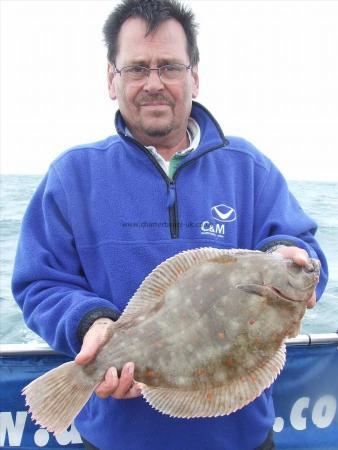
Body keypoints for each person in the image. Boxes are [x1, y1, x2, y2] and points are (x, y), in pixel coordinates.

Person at [12, 1, 328, 449]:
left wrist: (289, 256)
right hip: (115, 438)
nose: (154, 83)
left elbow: (305, 254)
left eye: (170, 67)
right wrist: (93, 326)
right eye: (137, 68)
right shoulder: (73, 176)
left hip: (241, 439)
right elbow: (40, 284)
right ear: (111, 79)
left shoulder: (249, 168)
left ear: (194, 77)